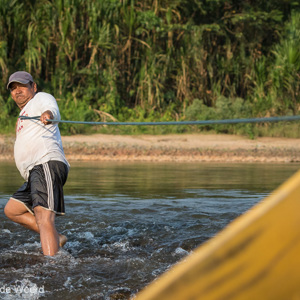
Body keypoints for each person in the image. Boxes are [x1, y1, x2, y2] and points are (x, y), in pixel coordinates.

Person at [4, 71, 70, 256]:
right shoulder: (23, 114)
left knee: (43, 216)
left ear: (33, 87)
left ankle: (52, 268)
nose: (17, 91)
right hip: (35, 172)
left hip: (46, 163)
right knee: (12, 210)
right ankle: (56, 239)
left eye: (22, 86)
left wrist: (48, 114)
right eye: (13, 88)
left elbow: (51, 110)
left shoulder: (41, 98)